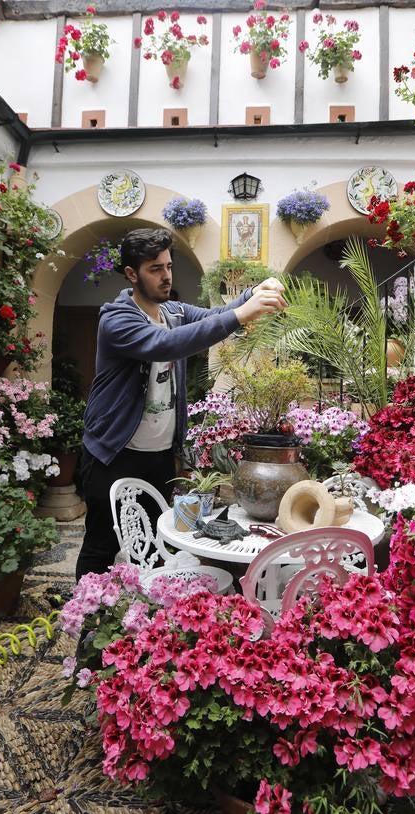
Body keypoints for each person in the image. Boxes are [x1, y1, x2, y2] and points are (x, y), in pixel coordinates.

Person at [75, 227, 286, 581]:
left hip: (159, 455)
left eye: (169, 266)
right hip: (113, 453)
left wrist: (252, 293)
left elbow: (215, 315)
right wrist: (242, 314)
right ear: (132, 274)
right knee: (101, 543)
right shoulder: (117, 319)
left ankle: (144, 610)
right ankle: (84, 611)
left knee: (155, 545)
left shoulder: (172, 311)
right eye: (155, 268)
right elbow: (167, 344)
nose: (166, 276)